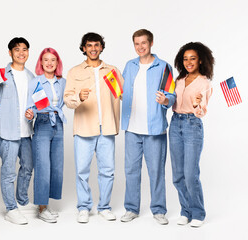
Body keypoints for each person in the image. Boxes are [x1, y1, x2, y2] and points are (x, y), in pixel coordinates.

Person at [64, 32, 124, 223]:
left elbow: (123, 95)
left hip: (106, 127)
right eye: (89, 45)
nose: (93, 49)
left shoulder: (111, 71)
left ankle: (104, 207)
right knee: (82, 170)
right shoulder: (75, 72)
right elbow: (67, 99)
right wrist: (79, 98)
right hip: (83, 128)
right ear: (84, 48)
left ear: (101, 47)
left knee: (108, 170)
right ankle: (84, 207)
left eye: (96, 45)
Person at [120, 29, 176, 224]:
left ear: (151, 43)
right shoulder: (129, 65)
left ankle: (159, 210)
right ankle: (131, 209)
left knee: (156, 170)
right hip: (132, 129)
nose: (140, 47)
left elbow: (172, 95)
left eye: (144, 43)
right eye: (137, 43)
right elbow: (122, 89)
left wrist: (166, 100)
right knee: (131, 170)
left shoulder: (164, 66)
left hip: (155, 128)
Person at [0, 37, 34, 225]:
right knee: (8, 171)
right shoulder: (0, 75)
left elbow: (35, 104)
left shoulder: (31, 77)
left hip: (27, 132)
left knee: (28, 167)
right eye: (17, 49)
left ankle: (21, 201)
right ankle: (11, 209)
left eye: (24, 49)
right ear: (10, 52)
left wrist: (32, 114)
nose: (21, 53)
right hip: (7, 132)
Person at [170, 42, 215, 227]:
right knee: (178, 174)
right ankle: (185, 210)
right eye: (185, 58)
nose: (188, 62)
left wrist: (197, 104)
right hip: (174, 125)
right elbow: (171, 99)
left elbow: (202, 112)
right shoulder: (179, 80)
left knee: (190, 174)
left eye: (193, 58)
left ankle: (198, 213)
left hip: (192, 125)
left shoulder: (204, 82)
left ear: (200, 60)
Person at [25, 48, 66, 223]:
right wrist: (30, 114)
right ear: (41, 63)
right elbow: (30, 106)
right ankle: (41, 208)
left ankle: (46, 204)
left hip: (59, 123)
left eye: (53, 60)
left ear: (57, 63)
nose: (49, 63)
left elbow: (68, 100)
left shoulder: (62, 82)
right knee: (43, 166)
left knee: (56, 167)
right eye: (46, 60)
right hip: (42, 122)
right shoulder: (36, 82)